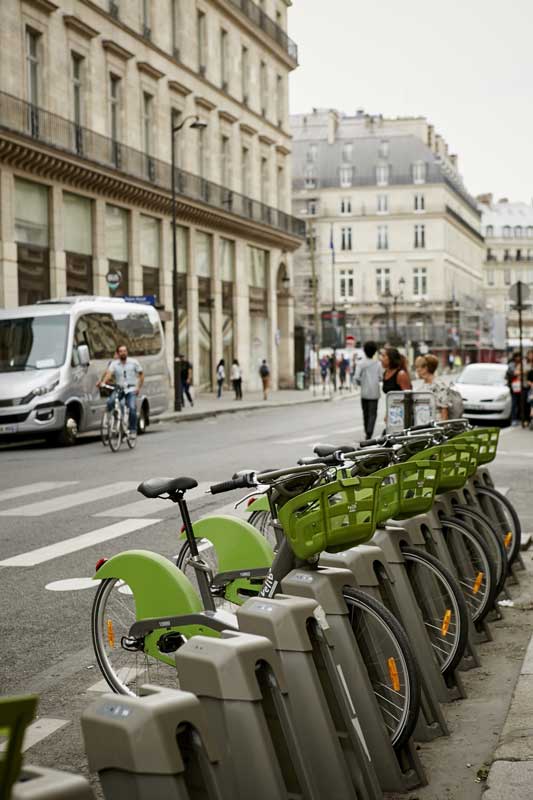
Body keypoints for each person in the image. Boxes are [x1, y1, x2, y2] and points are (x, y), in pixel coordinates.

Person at [100, 344, 143, 437]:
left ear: (127, 352)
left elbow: (141, 375)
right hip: (119, 388)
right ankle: (110, 420)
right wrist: (103, 382)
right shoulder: (114, 364)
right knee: (110, 401)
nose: (123, 353)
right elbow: (109, 374)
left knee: (132, 407)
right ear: (118, 353)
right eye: (121, 351)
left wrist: (138, 387)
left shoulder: (134, 362)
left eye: (124, 351)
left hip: (131, 388)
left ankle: (132, 430)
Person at [355, 341, 383, 439]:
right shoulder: (378, 364)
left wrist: (362, 384)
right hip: (375, 393)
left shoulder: (360, 363)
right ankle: (369, 432)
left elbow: (356, 377)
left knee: (365, 412)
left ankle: (367, 430)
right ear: (375, 352)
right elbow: (380, 377)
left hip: (364, 393)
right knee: (373, 413)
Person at [415, 354, 451, 421]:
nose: (417, 370)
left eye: (418, 367)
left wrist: (443, 429)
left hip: (435, 427)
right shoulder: (424, 384)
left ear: (426, 368)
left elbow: (444, 410)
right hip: (423, 424)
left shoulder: (439, 385)